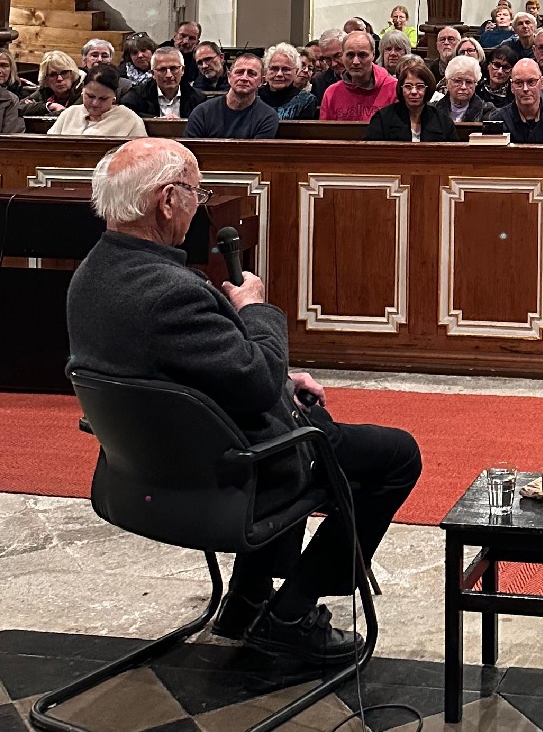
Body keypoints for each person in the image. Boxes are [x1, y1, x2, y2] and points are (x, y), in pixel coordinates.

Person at [66, 138, 420, 663]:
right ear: (167, 200)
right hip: (225, 475)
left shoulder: (91, 275)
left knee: (302, 415)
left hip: (148, 470)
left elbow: (187, 371)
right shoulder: (171, 290)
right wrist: (256, 311)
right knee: (395, 455)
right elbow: (251, 383)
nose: (199, 202)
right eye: (195, 191)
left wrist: (280, 380)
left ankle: (248, 599)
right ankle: (291, 613)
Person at [184, 55, 279, 139]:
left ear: (261, 82)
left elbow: (256, 155)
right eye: (239, 72)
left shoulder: (267, 117)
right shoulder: (202, 112)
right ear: (229, 77)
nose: (244, 78)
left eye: (251, 74)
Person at [484, 59, 543, 143]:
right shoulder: (497, 121)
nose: (525, 89)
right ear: (512, 87)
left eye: (531, 82)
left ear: (541, 83)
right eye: (519, 83)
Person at [365, 58, 456, 141]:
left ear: (428, 89)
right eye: (408, 86)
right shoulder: (382, 118)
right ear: (401, 88)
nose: (413, 91)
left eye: (420, 87)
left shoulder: (443, 121)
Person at [49, 64, 147, 138]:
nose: (95, 103)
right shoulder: (70, 113)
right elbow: (49, 146)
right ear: (83, 90)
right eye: (90, 96)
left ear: (114, 96)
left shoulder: (130, 120)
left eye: (103, 99)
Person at [320, 32, 396, 122]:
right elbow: (324, 132)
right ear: (343, 56)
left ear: (373, 55)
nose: (356, 62)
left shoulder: (394, 89)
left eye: (362, 55)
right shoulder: (331, 93)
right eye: (350, 55)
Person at [124, 47, 205, 120]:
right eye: (162, 70)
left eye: (174, 69)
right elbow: (127, 117)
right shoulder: (136, 96)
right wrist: (156, 121)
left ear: (183, 70)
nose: (169, 75)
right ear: (153, 73)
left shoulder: (198, 99)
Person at [257, 43, 320, 120]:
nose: (279, 74)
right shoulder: (253, 96)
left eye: (286, 69)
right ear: (266, 71)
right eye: (274, 68)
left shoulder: (306, 101)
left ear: (296, 72)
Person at [21, 51, 83, 116]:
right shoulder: (44, 91)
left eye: (64, 73)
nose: (59, 79)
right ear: (46, 79)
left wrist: (35, 110)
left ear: (72, 74)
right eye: (53, 75)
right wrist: (49, 106)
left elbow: (69, 116)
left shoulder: (82, 91)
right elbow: (17, 107)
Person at [435, 56, 490, 123]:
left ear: (475, 84)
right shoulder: (433, 110)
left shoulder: (487, 110)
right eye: (458, 81)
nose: (463, 87)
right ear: (447, 83)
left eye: (469, 82)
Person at [161, 21, 203, 86]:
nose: (186, 41)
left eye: (192, 38)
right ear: (175, 36)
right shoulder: (159, 52)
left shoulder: (200, 58)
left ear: (197, 43)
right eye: (182, 36)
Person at [309, 31, 345, 98]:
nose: (334, 64)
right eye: (327, 59)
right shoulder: (319, 83)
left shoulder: (366, 76)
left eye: (338, 56)